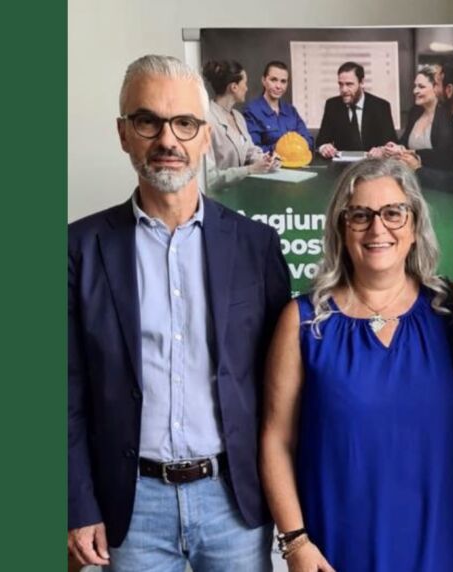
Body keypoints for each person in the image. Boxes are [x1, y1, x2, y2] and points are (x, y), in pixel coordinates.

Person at [68, 54, 291, 571]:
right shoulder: (79, 248)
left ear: (206, 136)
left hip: (234, 502)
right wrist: (78, 504)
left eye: (185, 123)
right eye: (148, 121)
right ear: (124, 134)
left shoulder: (256, 246)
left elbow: (283, 389)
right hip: (131, 507)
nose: (168, 140)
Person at [260, 158, 453, 572]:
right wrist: (296, 542)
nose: (378, 229)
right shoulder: (303, 321)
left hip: (435, 545)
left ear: (414, 224)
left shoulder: (452, 310)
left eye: (393, 213)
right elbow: (275, 440)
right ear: (341, 228)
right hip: (336, 549)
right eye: (360, 215)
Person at [202, 59, 278, 191]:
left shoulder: (238, 117)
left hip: (241, 193)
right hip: (219, 197)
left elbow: (249, 150)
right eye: (245, 83)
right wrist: (249, 170)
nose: (247, 88)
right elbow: (209, 179)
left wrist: (265, 160)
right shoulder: (207, 120)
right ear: (234, 87)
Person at [372, 65, 453, 171]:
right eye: (415, 86)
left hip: (432, 176)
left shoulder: (445, 115)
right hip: (408, 173)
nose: (415, 91)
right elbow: (404, 142)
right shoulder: (415, 112)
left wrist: (408, 152)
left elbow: (443, 155)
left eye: (421, 87)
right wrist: (389, 148)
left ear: (435, 88)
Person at [315, 61, 398, 158]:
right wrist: (324, 148)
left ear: (361, 82)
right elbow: (321, 142)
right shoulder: (332, 105)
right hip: (342, 164)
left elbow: (392, 144)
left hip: (373, 163)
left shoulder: (380, 106)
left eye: (349, 84)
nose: (344, 90)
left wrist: (382, 150)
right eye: (341, 84)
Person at [243, 60, 314, 154]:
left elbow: (308, 140)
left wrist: (295, 147)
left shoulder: (291, 111)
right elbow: (254, 149)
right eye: (273, 80)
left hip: (296, 161)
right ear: (264, 81)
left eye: (283, 81)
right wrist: (283, 148)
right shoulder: (252, 111)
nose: (278, 86)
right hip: (270, 163)